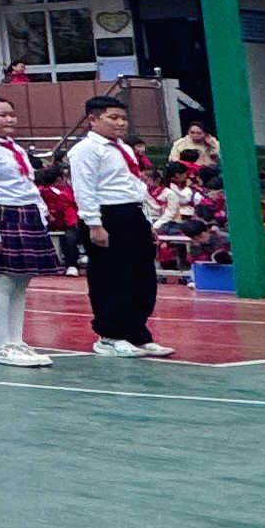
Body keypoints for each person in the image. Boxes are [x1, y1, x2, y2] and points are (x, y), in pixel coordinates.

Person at [0, 93, 62, 367]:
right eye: (1, 115)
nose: (9, 119)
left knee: (20, 282)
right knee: (1, 281)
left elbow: (27, 184)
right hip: (2, 215)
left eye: (11, 114)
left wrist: (39, 211)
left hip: (24, 213)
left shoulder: (12, 147)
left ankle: (16, 341)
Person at [64, 92, 169, 357]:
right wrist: (94, 224)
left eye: (124, 118)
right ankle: (110, 334)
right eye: (113, 118)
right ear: (93, 119)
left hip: (132, 213)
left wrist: (147, 218)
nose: (121, 123)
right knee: (111, 276)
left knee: (141, 275)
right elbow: (84, 189)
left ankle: (137, 332)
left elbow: (133, 185)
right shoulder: (86, 150)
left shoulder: (123, 148)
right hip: (106, 214)